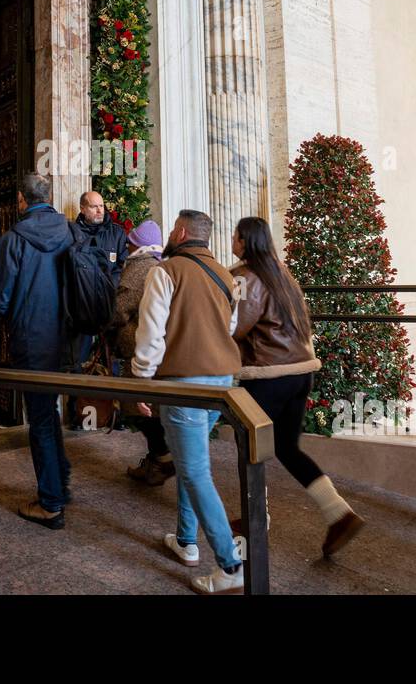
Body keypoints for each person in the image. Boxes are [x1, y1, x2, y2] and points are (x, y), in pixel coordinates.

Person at [229, 216, 365, 557]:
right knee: (287, 448)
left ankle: (255, 517)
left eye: (235, 235)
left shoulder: (244, 277)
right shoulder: (282, 272)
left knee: (250, 446)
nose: (231, 240)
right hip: (300, 372)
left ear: (244, 241)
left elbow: (237, 326)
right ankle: (339, 513)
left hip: (267, 375)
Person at [132, 209, 244, 594]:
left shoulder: (165, 271)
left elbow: (151, 331)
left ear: (180, 232)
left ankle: (230, 564)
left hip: (184, 383)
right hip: (222, 382)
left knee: (195, 472)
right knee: (189, 458)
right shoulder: (229, 277)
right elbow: (229, 327)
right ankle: (185, 539)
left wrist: (142, 378)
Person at [0, 173, 76, 528]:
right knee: (49, 411)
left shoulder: (14, 239)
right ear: (48, 197)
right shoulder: (71, 232)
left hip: (32, 339)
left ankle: (51, 503)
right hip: (66, 340)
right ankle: (60, 483)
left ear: (21, 201)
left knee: (39, 418)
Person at [109, 219, 173, 486]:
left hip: (136, 347)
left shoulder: (139, 268)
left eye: (132, 239)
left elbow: (119, 309)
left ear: (139, 244)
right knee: (148, 407)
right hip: (155, 348)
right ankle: (157, 460)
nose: (128, 243)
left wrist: (104, 323)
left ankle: (163, 456)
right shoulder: (160, 265)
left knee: (137, 408)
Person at [67, 190, 128, 370]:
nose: (100, 210)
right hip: (81, 309)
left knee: (110, 364)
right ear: (83, 208)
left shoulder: (116, 233)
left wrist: (110, 287)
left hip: (110, 307)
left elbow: (123, 266)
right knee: (79, 363)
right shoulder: (72, 233)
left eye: (101, 206)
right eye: (94, 207)